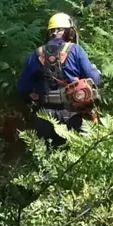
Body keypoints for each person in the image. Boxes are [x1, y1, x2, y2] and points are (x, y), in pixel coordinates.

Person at [17, 12, 103, 148]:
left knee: (47, 159)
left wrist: (31, 98)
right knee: (79, 155)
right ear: (68, 33)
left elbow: (23, 87)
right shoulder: (76, 50)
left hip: (44, 114)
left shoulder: (35, 54)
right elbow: (95, 79)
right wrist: (96, 72)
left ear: (50, 33)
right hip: (73, 114)